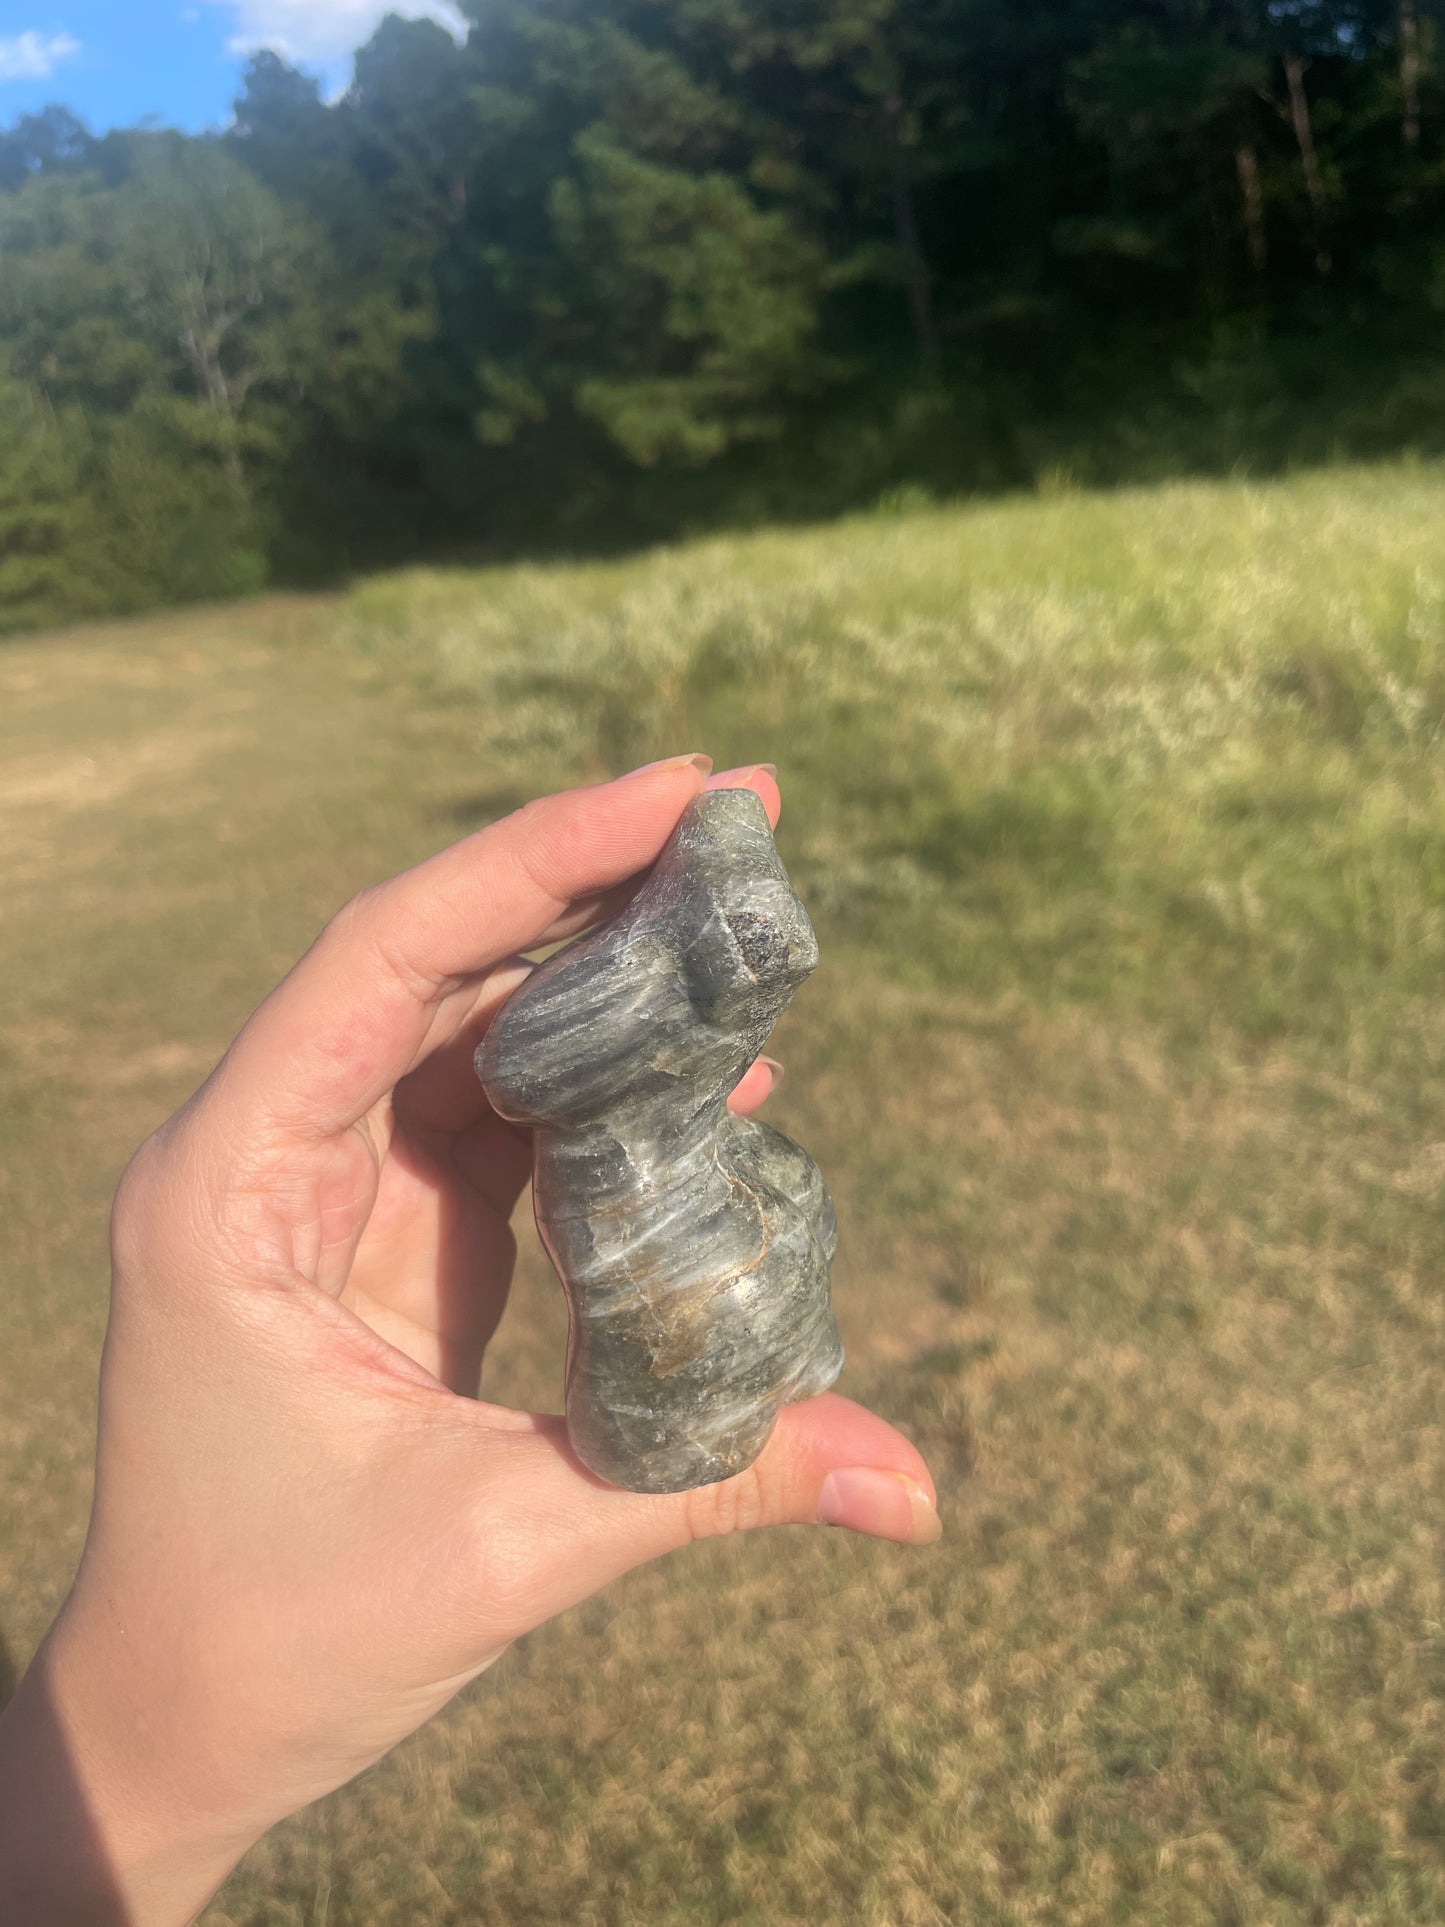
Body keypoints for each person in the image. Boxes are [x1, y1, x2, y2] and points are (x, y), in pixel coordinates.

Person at [0, 755, 940, 1924]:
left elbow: (566, 1045)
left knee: (769, 1226)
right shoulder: (578, 1048)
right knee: (719, 1292)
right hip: (677, 1256)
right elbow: (516, 1062)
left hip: (706, 1223)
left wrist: (121, 1802)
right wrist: (133, 1783)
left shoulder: (650, 1046)